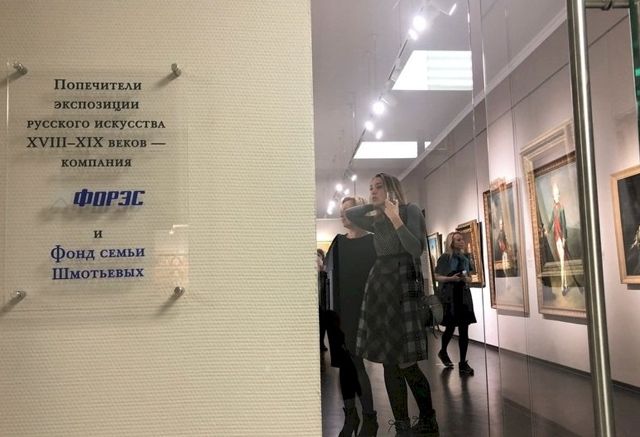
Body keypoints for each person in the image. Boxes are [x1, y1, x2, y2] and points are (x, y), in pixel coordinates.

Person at [346, 173, 438, 436]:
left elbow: (415, 248)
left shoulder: (410, 211)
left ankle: (428, 420)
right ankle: (402, 426)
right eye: (370, 188)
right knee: (388, 362)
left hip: (403, 285)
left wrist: (395, 217)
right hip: (381, 288)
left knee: (407, 362)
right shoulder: (375, 218)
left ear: (392, 189)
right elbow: (351, 213)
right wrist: (376, 205)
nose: (373, 191)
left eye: (379, 187)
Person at [325, 196, 378, 437]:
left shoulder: (372, 242)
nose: (342, 214)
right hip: (338, 314)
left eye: (347, 210)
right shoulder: (338, 242)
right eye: (341, 210)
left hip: (361, 312)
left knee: (356, 364)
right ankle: (351, 415)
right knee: (345, 366)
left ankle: (369, 417)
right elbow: (328, 275)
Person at [434, 232, 477, 376]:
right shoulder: (445, 258)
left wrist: (466, 279)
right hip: (451, 296)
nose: (461, 241)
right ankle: (443, 351)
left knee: (464, 329)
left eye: (462, 239)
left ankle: (463, 363)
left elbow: (470, 278)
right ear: (451, 242)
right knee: (450, 327)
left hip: (463, 296)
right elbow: (436, 276)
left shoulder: (465, 258)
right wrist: (450, 279)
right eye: (458, 240)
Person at [545, 183, 569, 295]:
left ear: (559, 195)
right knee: (562, 261)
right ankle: (565, 284)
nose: (557, 196)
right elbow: (551, 222)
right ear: (553, 196)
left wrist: (564, 238)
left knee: (562, 262)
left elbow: (564, 223)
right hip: (556, 237)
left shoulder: (561, 208)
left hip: (561, 237)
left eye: (558, 194)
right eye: (555, 194)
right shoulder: (553, 208)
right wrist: (547, 230)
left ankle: (563, 286)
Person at [318, 248, 328, 352]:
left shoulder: (324, 274)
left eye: (319, 255)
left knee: (322, 323)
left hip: (322, 302)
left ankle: (321, 342)